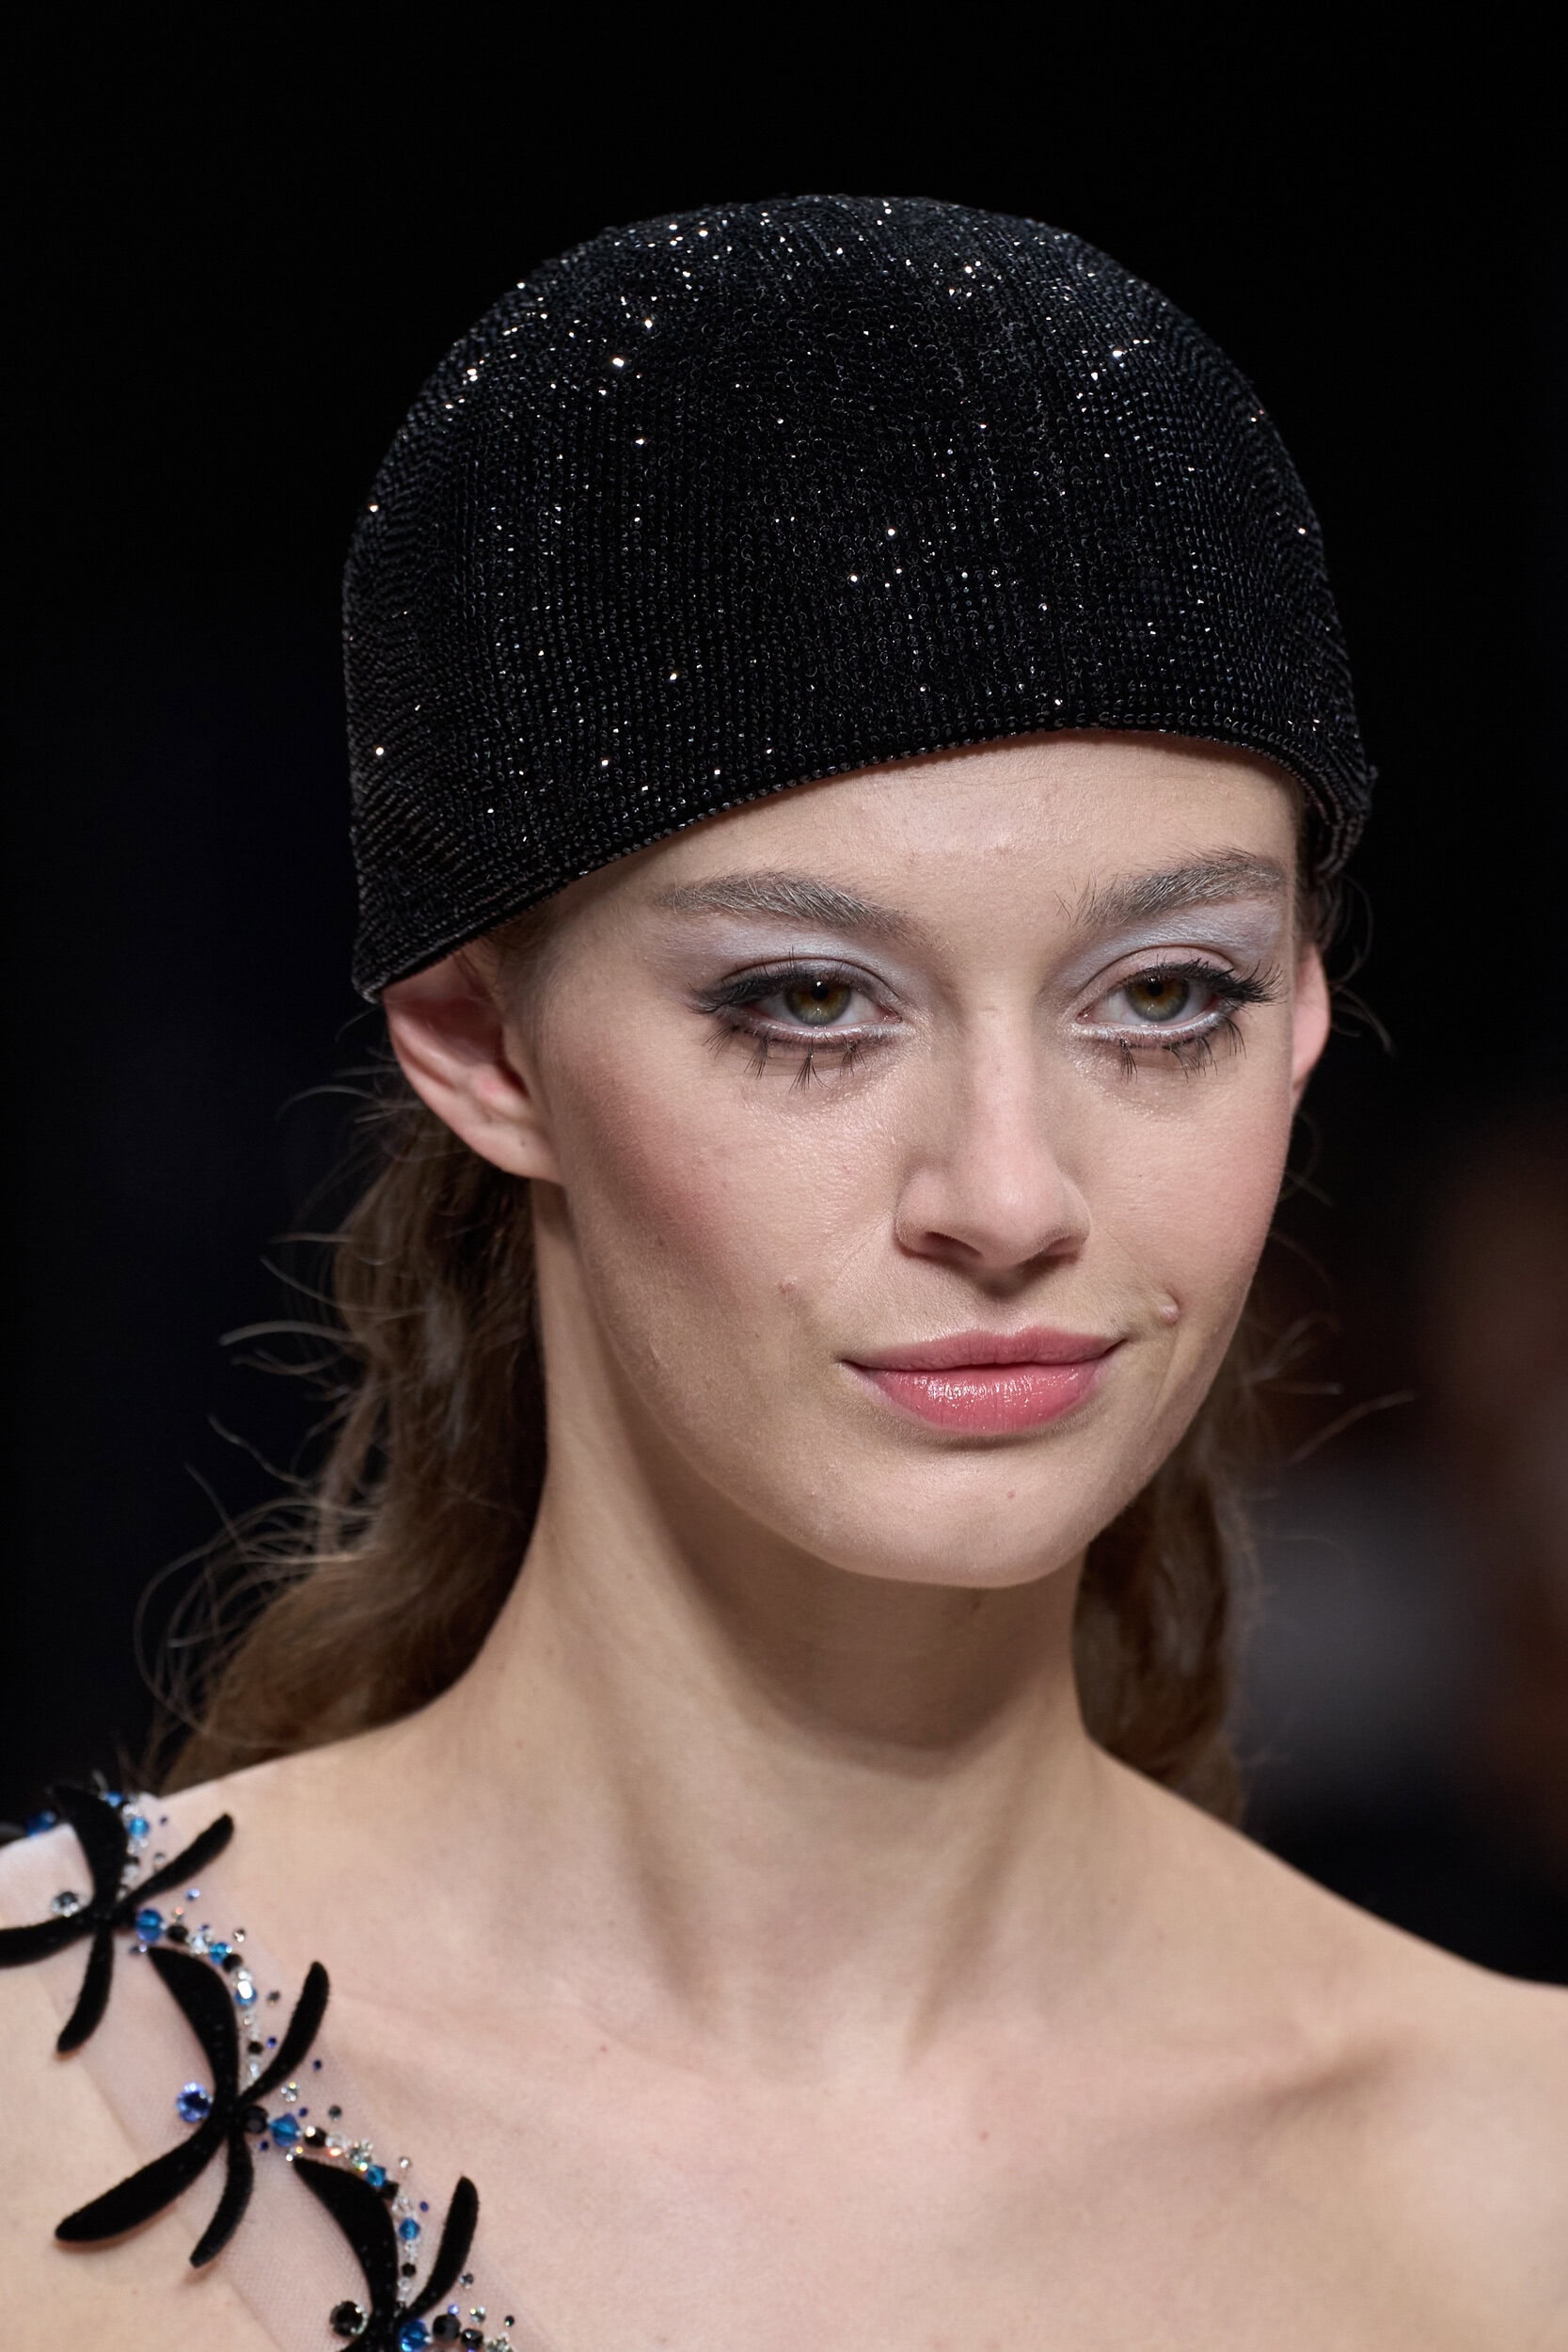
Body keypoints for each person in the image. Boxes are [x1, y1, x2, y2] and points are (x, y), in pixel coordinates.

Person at [4, 195, 1565, 2350]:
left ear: (1300, 1013)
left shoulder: (1515, 2180)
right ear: (479, 1043)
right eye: (812, 1001)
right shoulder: (30, 2116)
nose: (1007, 1192)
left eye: (1164, 994)